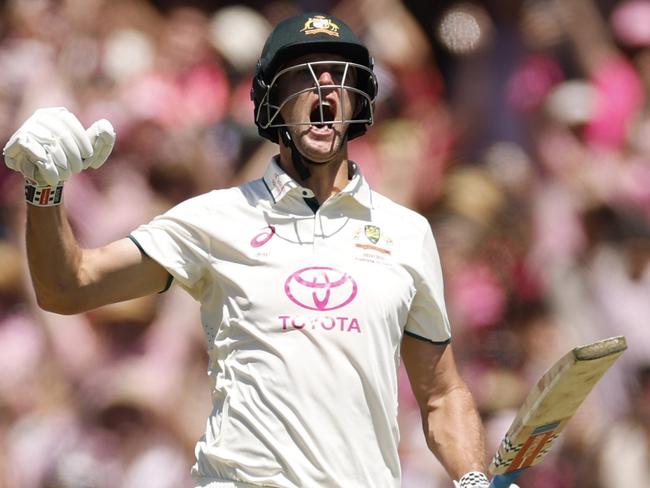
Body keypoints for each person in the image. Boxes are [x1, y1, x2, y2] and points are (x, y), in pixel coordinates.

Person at [3, 12, 517, 488]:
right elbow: (67, 287)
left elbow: (442, 395)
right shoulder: (214, 218)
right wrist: (44, 192)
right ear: (271, 100)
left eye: (340, 78)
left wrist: (472, 478)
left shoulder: (407, 233)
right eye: (303, 76)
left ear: (361, 102)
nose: (324, 91)